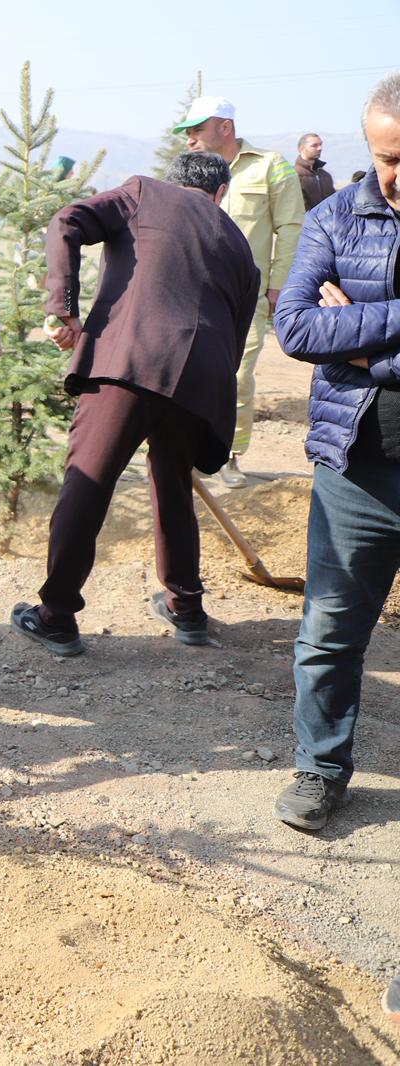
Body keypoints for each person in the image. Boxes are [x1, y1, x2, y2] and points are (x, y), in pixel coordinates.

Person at [9, 153, 259, 656]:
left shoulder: (145, 191)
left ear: (177, 181)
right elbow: (236, 334)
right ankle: (187, 609)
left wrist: (61, 306)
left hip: (130, 359)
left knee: (89, 479)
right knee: (173, 487)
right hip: (202, 380)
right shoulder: (238, 243)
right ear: (220, 192)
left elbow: (67, 220)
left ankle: (56, 615)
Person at [269, 72, 400, 833]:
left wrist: (366, 332)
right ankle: (320, 770)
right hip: (355, 471)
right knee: (329, 633)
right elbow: (298, 330)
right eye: (387, 157)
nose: (396, 175)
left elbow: (336, 337)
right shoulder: (336, 218)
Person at [176, 96, 305, 486]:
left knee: (235, 375)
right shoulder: (190, 172)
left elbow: (291, 227)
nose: (191, 139)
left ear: (225, 127)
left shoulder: (271, 166)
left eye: (198, 129)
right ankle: (183, 451)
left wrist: (280, 284)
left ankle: (230, 456)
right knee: (185, 370)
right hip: (191, 292)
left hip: (244, 297)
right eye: (187, 132)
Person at [295, 133, 335, 211]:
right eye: (314, 145)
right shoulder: (294, 176)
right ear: (302, 148)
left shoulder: (325, 176)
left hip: (328, 222)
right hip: (305, 221)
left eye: (320, 144)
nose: (319, 148)